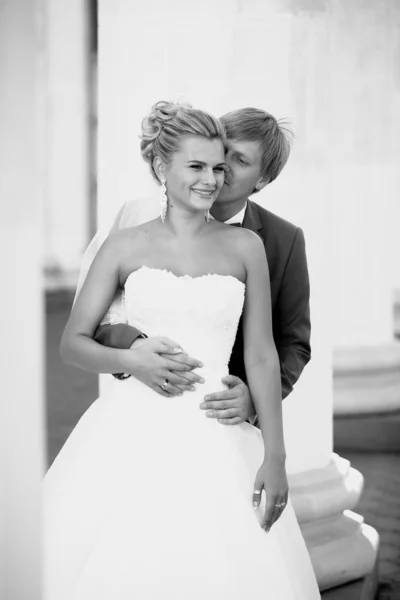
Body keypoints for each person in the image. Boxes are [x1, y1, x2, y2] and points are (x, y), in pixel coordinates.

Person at [44, 101, 320, 599]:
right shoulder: (127, 236)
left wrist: (274, 451)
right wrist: (132, 357)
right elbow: (78, 338)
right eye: (204, 164)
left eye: (227, 166)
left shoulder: (254, 246)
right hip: (130, 425)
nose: (215, 177)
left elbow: (268, 351)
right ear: (162, 168)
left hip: (219, 428)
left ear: (260, 179)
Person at [75, 106, 311, 428]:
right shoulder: (136, 218)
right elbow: (91, 321)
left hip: (221, 419)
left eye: (239, 160)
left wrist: (254, 400)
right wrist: (133, 345)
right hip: (139, 404)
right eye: (221, 152)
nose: (221, 168)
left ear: (264, 179)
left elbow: (292, 342)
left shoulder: (282, 241)